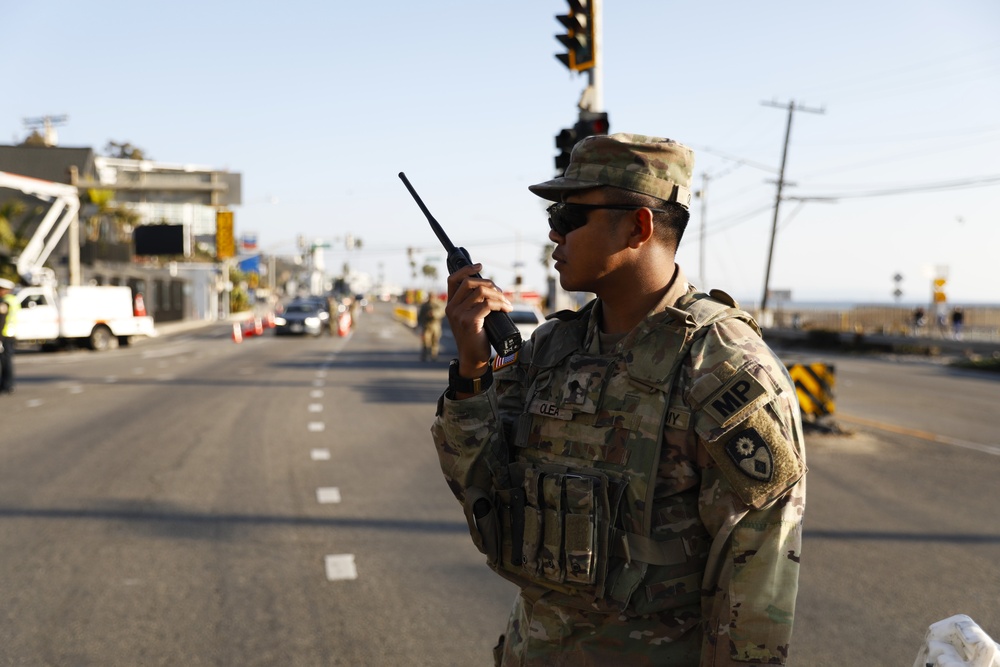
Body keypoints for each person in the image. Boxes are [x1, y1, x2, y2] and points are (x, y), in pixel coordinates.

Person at [431, 134, 806, 666]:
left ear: (639, 226)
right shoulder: (552, 349)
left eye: (570, 216)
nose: (553, 234)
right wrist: (472, 371)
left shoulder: (721, 370)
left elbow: (755, 590)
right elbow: (481, 489)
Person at [0, 278, 20, 395]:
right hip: (10, 334)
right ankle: (7, 384)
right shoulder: (12, 300)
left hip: (4, 336)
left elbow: (1, 321)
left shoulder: (5, 302)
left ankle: (7, 385)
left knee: (5, 362)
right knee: (6, 361)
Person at [417, 293, 445, 361]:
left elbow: (442, 312)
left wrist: (434, 313)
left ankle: (434, 356)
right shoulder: (425, 305)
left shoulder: (438, 304)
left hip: (435, 326)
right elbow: (420, 315)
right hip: (426, 326)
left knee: (435, 341)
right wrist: (419, 325)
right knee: (425, 341)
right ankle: (424, 355)